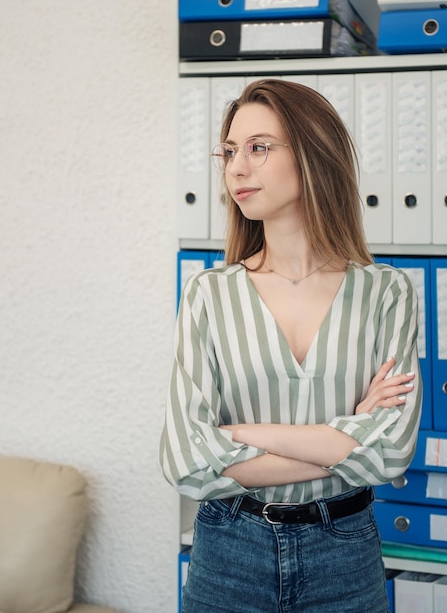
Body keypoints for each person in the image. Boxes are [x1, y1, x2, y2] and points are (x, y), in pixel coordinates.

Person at [159, 78, 422, 613]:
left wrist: (238, 435)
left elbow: (392, 453)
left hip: (344, 552)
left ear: (313, 154)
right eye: (230, 151)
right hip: (229, 549)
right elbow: (185, 460)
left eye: (259, 147)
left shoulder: (386, 292)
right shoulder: (209, 294)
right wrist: (346, 441)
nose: (236, 168)